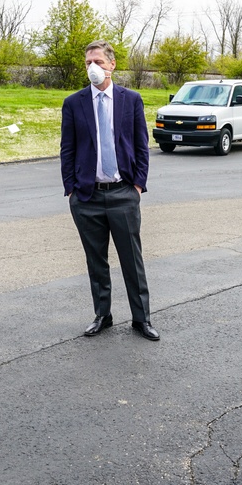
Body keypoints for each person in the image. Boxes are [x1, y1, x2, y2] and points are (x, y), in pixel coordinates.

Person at [60, 40, 158, 341]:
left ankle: (141, 318)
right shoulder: (74, 103)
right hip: (87, 197)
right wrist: (72, 190)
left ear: (112, 65)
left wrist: (138, 185)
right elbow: (68, 149)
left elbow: (142, 145)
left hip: (123, 193)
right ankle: (102, 314)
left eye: (99, 62)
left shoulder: (131, 99)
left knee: (132, 260)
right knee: (96, 260)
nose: (94, 67)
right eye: (89, 62)